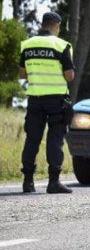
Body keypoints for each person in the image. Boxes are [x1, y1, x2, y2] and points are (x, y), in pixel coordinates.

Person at [18, 12, 75, 194]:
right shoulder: (62, 45)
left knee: (32, 139)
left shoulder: (27, 45)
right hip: (56, 99)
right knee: (55, 139)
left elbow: (22, 74)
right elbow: (69, 76)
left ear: (43, 25)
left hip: (35, 99)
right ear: (56, 25)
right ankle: (53, 182)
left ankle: (28, 182)